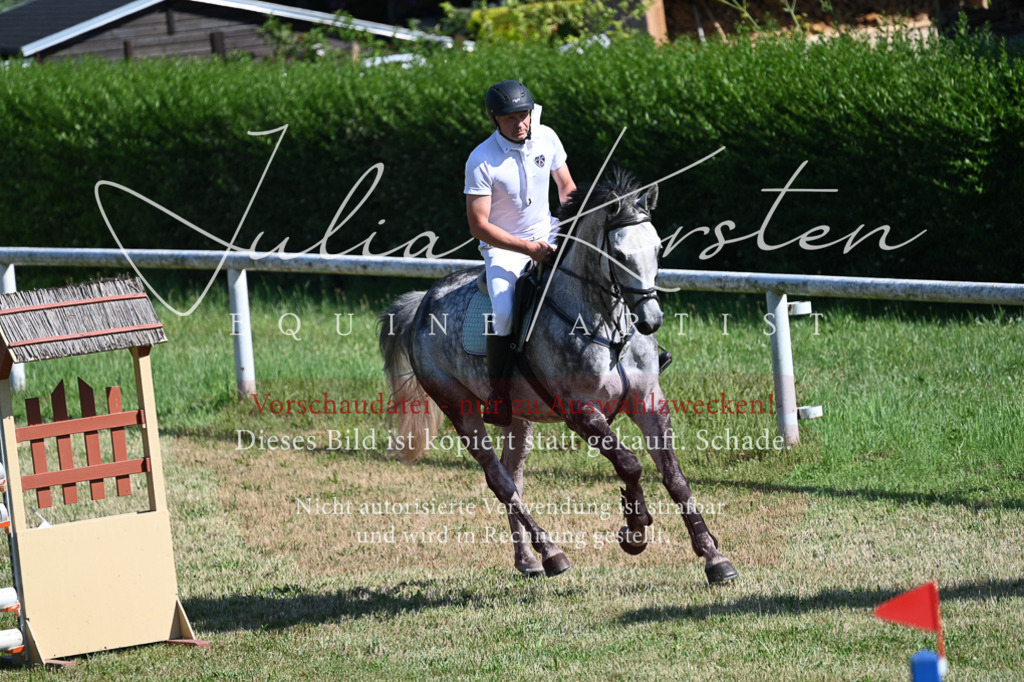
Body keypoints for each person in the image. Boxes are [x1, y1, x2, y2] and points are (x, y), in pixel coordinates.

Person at [465, 80, 577, 426]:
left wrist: (573, 227)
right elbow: (479, 226)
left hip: (549, 230)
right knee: (503, 310)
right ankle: (499, 395)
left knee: (600, 270)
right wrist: (529, 249)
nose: (521, 123)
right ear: (494, 119)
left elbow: (567, 188)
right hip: (505, 248)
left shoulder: (547, 137)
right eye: (511, 118)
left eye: (524, 115)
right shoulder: (482, 159)